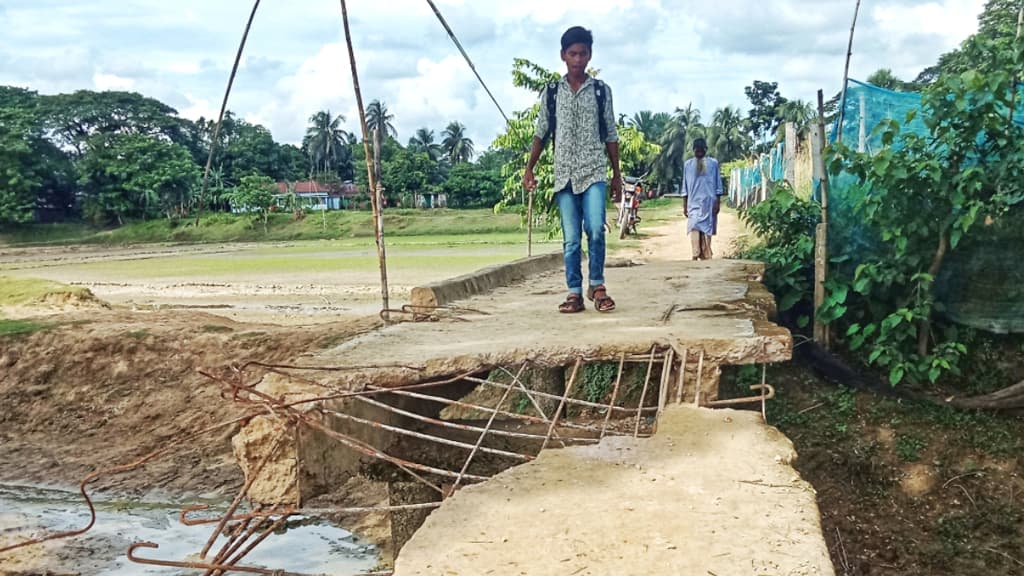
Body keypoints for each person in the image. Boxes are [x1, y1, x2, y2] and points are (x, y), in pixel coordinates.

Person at [523, 26, 622, 313]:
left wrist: (616, 175)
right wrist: (529, 169)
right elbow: (541, 132)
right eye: (573, 54)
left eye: (583, 53)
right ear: (563, 56)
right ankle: (574, 293)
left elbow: (611, 134)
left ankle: (598, 286)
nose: (578, 59)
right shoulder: (552, 92)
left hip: (594, 171)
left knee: (595, 228)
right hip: (563, 174)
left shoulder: (601, 91)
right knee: (570, 239)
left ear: (590, 56)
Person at [682, 138, 724, 260]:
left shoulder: (713, 163)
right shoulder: (688, 165)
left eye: (701, 150)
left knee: (707, 229)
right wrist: (685, 205)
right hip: (693, 202)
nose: (699, 153)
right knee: (694, 226)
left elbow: (718, 185)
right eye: (697, 150)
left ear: (705, 150)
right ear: (693, 150)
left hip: (709, 202)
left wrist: (717, 202)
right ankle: (695, 253)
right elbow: (684, 187)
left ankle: (706, 254)